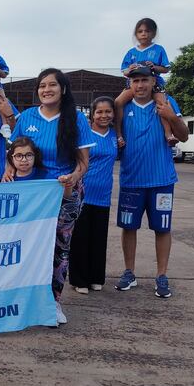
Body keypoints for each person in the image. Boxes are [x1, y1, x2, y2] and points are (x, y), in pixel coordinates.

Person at [8, 68, 95, 325]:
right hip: (32, 194)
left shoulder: (76, 119)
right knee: (27, 245)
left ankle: (53, 301)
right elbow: (13, 155)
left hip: (63, 193)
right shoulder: (27, 117)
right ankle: (24, 297)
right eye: (42, 85)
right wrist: (8, 172)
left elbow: (84, 164)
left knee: (58, 248)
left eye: (52, 85)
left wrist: (72, 179)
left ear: (63, 89)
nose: (46, 90)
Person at [115, 66, 189, 298]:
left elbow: (184, 135)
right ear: (130, 84)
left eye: (144, 80)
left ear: (153, 80)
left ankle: (162, 275)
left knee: (162, 228)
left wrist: (170, 117)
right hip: (131, 180)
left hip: (161, 180)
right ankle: (129, 272)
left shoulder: (166, 103)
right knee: (129, 227)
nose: (140, 85)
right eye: (135, 81)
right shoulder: (123, 107)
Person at [69, 96, 118, 295]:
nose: (104, 115)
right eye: (99, 112)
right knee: (80, 239)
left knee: (99, 239)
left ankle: (96, 277)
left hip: (104, 195)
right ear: (92, 114)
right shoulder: (84, 135)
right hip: (83, 194)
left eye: (108, 111)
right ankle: (79, 279)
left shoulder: (116, 136)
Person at [115, 18, 175, 146]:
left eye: (147, 31)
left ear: (153, 33)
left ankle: (168, 134)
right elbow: (124, 71)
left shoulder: (158, 49)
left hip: (155, 84)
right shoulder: (131, 52)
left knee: (162, 103)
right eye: (140, 31)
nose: (143, 34)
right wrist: (129, 69)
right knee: (118, 102)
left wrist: (154, 67)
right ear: (136, 34)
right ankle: (119, 135)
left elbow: (165, 68)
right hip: (134, 86)